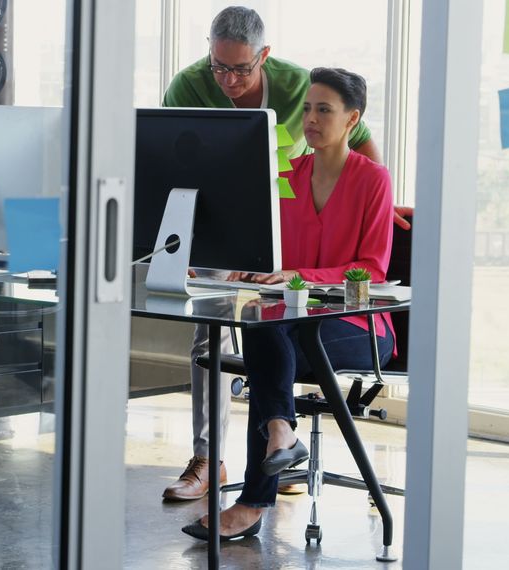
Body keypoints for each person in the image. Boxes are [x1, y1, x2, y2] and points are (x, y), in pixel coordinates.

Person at [160, 5, 383, 502]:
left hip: (284, 226)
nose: (229, 79)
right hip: (221, 217)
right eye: (220, 66)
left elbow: (360, 142)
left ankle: (266, 473)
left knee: (267, 328)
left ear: (265, 57)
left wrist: (375, 201)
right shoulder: (190, 85)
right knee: (214, 333)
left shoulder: (303, 86)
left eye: (241, 69)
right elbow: (167, 157)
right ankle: (213, 456)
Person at [182, 67, 396, 540]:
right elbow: (267, 252)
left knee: (266, 356)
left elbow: (372, 269)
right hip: (289, 322)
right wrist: (237, 265)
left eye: (324, 110)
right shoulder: (287, 175)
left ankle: (252, 503)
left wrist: (298, 276)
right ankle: (282, 432)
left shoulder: (373, 181)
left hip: (358, 327)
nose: (311, 119)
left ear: (352, 118)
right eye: (306, 109)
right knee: (266, 332)